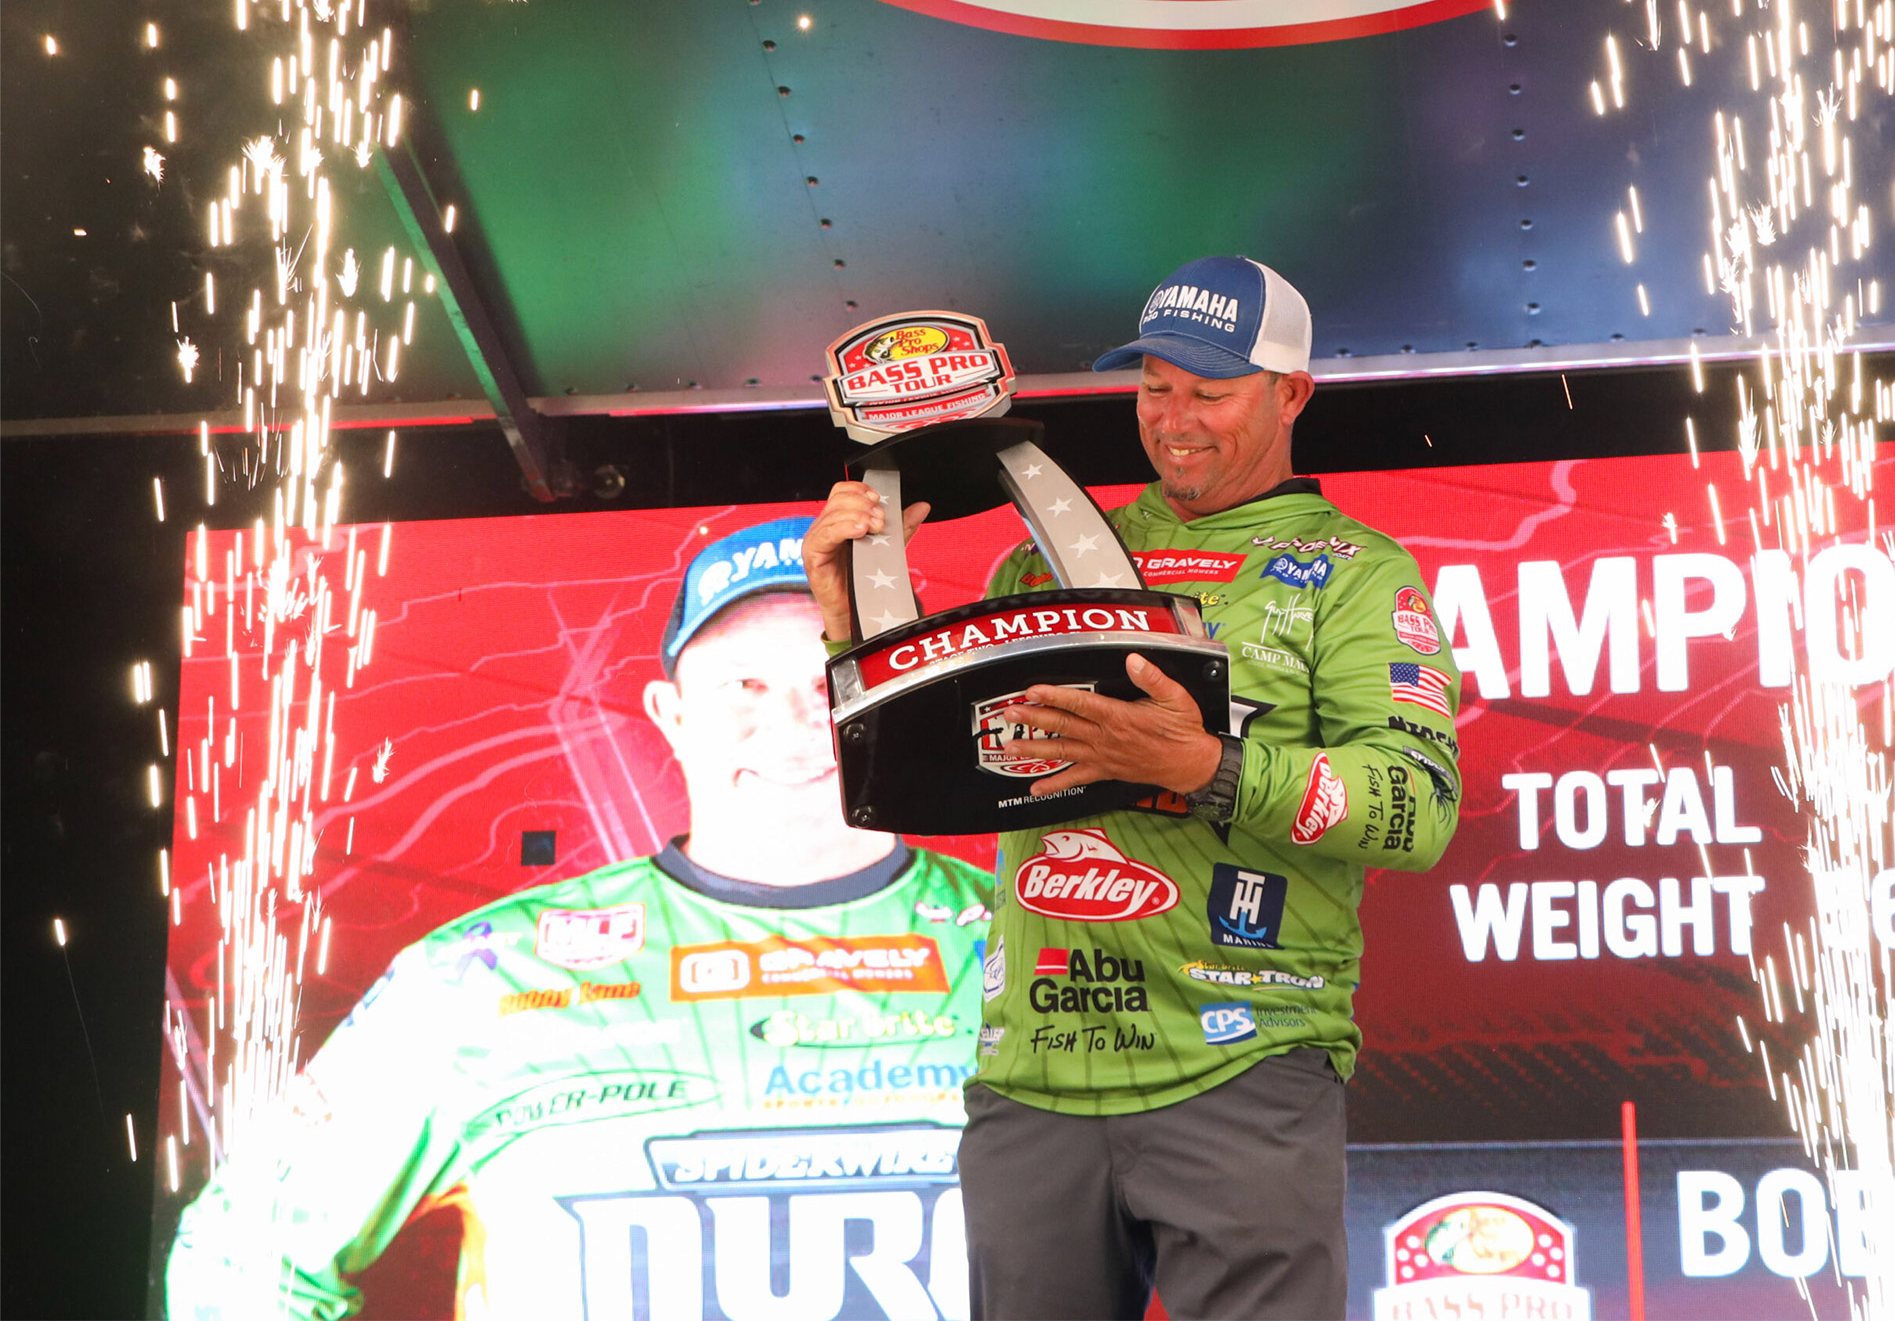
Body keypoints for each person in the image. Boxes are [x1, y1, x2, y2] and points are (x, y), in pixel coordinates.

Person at [805, 257, 1463, 1319]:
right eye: (1155, 388)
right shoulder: (1050, 559)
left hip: (1244, 1060)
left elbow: (1415, 807)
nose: (1175, 421)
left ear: (1290, 393)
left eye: (1210, 393)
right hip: (1032, 1080)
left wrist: (1205, 767)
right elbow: (929, 779)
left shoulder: (1353, 571)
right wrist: (848, 620)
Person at [167, 516, 994, 1321]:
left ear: (910, 703)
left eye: (838, 679)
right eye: (743, 684)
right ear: (671, 715)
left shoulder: (1037, 947)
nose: (794, 721)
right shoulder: (484, 974)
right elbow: (240, 1252)